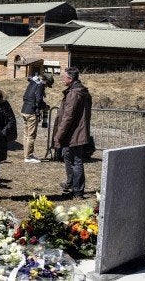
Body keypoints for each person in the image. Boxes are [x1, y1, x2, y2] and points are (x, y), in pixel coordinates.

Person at [53, 67, 92, 200]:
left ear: (70, 79)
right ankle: (71, 184)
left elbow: (68, 117)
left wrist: (59, 135)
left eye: (64, 77)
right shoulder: (79, 91)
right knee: (69, 158)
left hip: (74, 133)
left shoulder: (74, 94)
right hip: (75, 132)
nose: (62, 79)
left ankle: (77, 191)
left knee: (76, 161)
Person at [20, 73, 53, 163]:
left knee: (26, 135)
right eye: (47, 85)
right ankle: (29, 157)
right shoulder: (40, 85)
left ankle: (26, 155)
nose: (46, 86)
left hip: (24, 110)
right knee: (31, 136)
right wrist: (45, 106)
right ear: (46, 81)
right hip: (31, 112)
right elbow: (38, 100)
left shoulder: (33, 82)